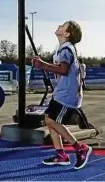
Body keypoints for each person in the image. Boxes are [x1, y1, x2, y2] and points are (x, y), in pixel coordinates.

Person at [32, 20, 92, 170]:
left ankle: (80, 148)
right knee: (49, 120)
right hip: (62, 92)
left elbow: (63, 70)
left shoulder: (66, 49)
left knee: (52, 121)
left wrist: (43, 64)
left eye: (62, 26)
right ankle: (61, 155)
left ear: (67, 34)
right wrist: (44, 64)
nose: (59, 26)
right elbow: (61, 70)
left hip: (67, 95)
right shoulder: (62, 49)